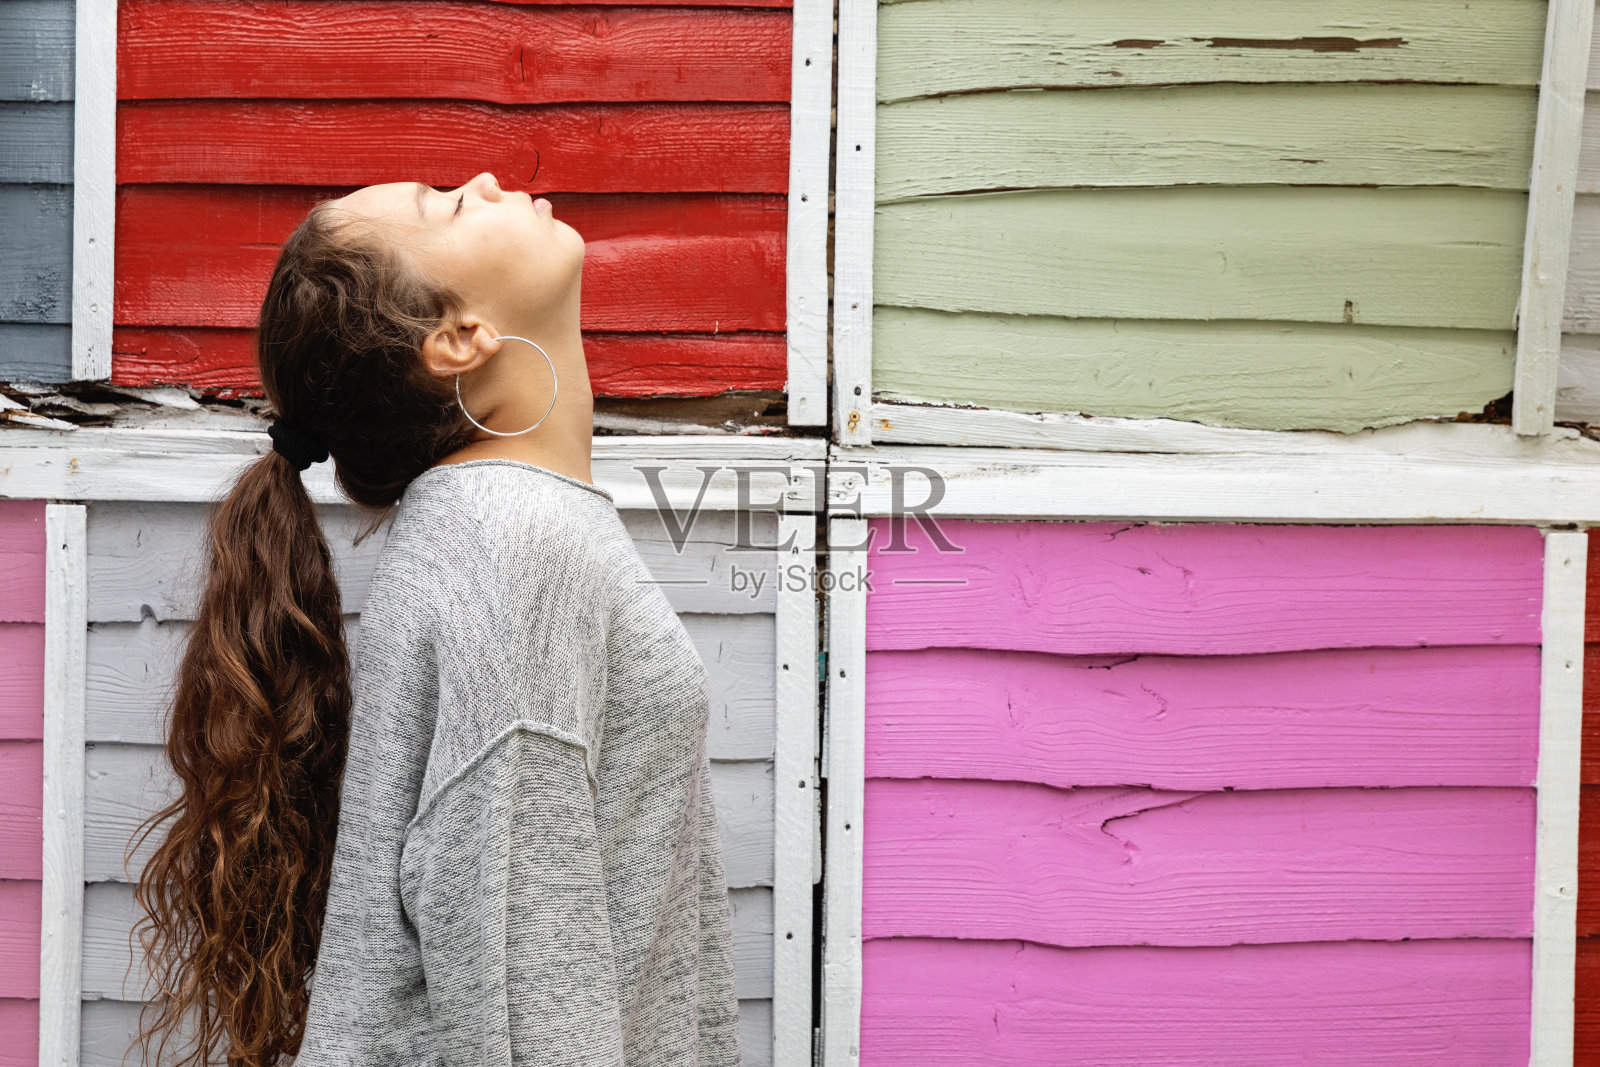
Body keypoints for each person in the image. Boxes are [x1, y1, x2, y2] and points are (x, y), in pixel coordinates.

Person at [129, 171, 743, 1067]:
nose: (488, 182)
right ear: (459, 340)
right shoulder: (512, 548)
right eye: (450, 203)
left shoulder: (500, 526)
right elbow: (529, 1004)